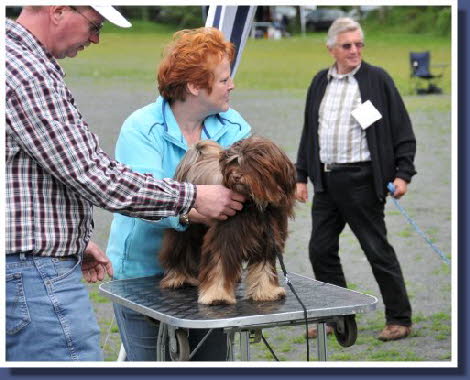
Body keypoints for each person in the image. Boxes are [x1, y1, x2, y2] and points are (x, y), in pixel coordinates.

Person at [5, 6, 245, 362]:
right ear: (57, 11)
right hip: (46, 276)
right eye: (94, 25)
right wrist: (194, 199)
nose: (96, 38)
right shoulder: (25, 72)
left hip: (34, 264)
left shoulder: (234, 125)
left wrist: (66, 239)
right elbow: (94, 175)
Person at [106, 27, 251, 361]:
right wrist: (197, 205)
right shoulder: (142, 128)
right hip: (142, 275)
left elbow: (243, 194)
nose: (232, 86)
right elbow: (141, 197)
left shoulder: (235, 126)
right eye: (224, 79)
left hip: (212, 271)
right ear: (195, 86)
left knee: (211, 363)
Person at [295, 18, 416, 342]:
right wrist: (301, 176)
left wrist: (403, 174)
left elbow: (402, 130)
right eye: (347, 45)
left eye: (359, 44)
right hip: (327, 180)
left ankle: (400, 318)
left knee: (377, 250)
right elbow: (311, 133)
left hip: (363, 181)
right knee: (320, 250)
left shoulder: (377, 80)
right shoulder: (320, 82)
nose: (354, 51)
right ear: (331, 48)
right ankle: (337, 317)